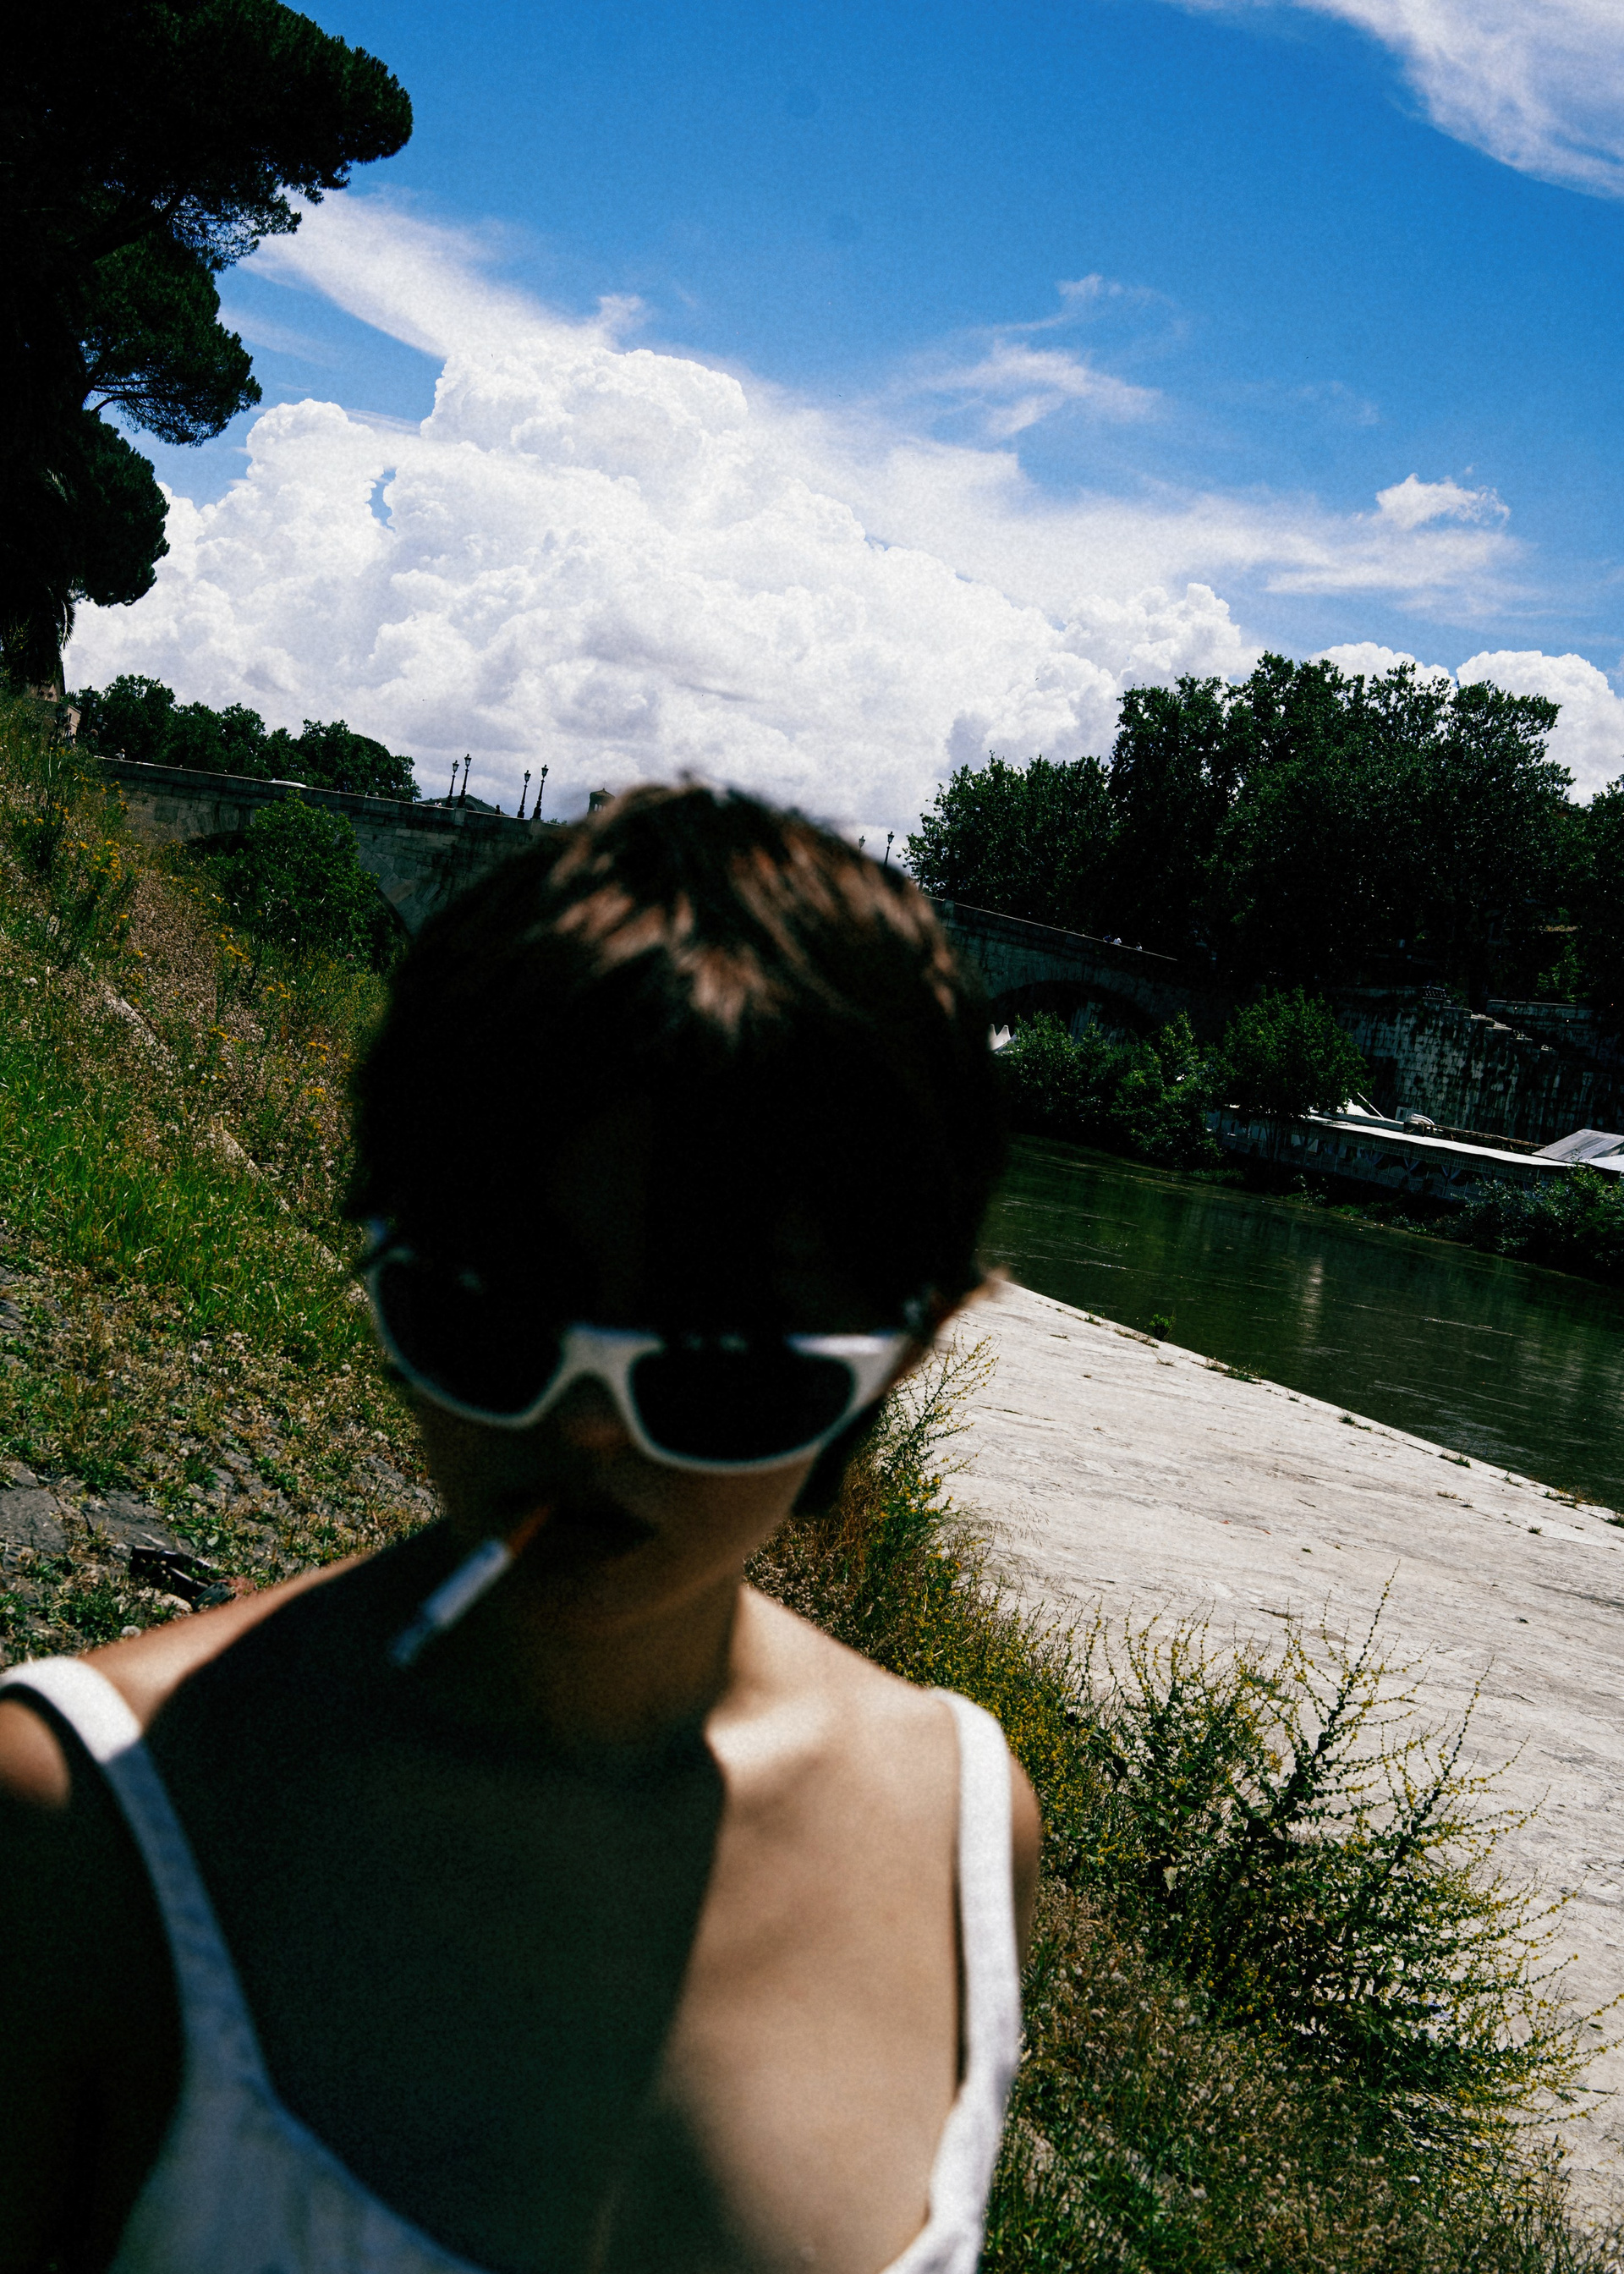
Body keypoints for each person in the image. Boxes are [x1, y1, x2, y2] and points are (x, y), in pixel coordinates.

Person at [0, 784, 1040, 2274]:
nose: (589, 1431)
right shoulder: (78, 1822)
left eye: (716, 1363)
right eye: (491, 1318)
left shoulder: (966, 1832)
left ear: (906, 1353)